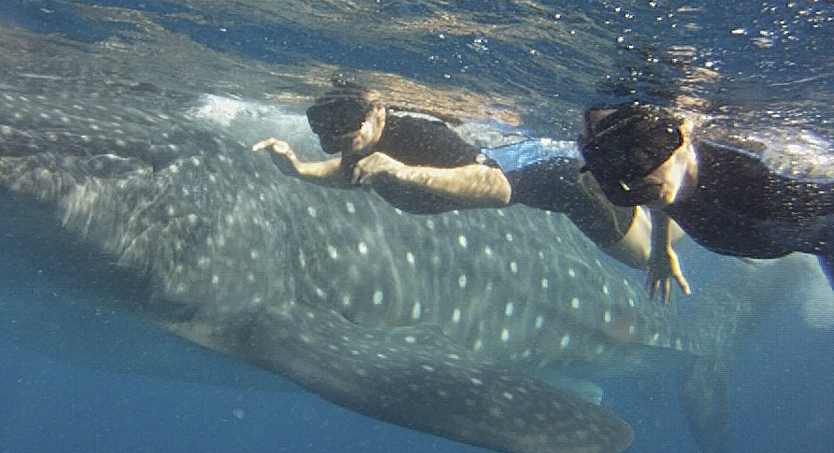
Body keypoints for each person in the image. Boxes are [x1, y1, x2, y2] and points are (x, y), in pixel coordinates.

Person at [253, 84, 685, 299]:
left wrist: (407, 174)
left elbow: (498, 189)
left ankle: (691, 209)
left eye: (349, 121)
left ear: (379, 110)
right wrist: (297, 169)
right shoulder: (363, 143)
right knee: (665, 221)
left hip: (569, 188)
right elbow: (352, 172)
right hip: (556, 181)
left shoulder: (422, 137)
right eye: (325, 128)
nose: (340, 137)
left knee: (652, 250)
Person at [578, 102, 834, 294]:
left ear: (684, 129)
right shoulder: (662, 180)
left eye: (645, 145)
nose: (634, 174)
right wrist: (660, 248)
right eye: (612, 158)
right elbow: (660, 194)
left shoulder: (758, 174)